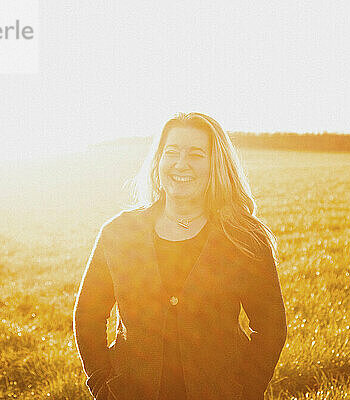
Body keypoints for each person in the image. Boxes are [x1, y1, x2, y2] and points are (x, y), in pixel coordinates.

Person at [74, 112, 287, 400]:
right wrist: (103, 385)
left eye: (196, 154)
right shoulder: (118, 233)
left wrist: (245, 391)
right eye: (171, 152)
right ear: (158, 161)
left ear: (216, 165)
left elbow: (271, 328)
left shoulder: (244, 238)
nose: (180, 164)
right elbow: (88, 316)